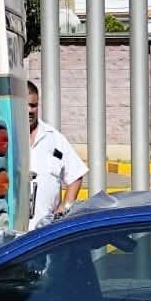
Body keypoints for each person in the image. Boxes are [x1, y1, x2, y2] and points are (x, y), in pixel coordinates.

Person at [26, 81, 86, 228]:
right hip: (11, 232)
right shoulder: (5, 137)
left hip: (45, 233)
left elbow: (76, 174)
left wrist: (64, 209)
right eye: (24, 105)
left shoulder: (53, 137)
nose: (30, 110)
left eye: (33, 105)